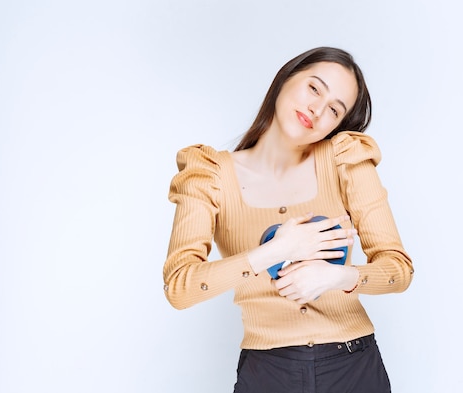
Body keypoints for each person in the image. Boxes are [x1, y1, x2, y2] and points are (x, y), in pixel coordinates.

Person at [163, 46, 414, 393]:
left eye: (334, 109)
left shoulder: (346, 160)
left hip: (354, 367)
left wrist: (339, 276)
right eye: (314, 88)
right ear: (285, 77)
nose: (317, 109)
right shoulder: (209, 174)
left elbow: (398, 271)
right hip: (268, 373)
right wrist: (276, 251)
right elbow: (180, 288)